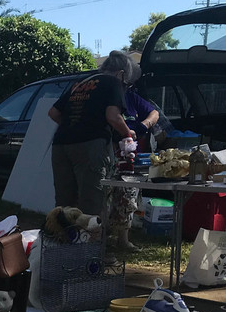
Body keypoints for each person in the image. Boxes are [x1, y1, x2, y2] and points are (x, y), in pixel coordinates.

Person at [48, 50, 136, 216]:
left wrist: (75, 125)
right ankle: (89, 240)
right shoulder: (113, 82)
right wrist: (128, 134)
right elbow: (113, 117)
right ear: (122, 74)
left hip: (61, 144)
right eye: (127, 84)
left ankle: (62, 238)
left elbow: (53, 113)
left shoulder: (81, 83)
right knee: (91, 200)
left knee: (64, 202)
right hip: (90, 145)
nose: (125, 87)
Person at [109, 62, 162, 250]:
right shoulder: (106, 95)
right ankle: (100, 238)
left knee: (127, 196)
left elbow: (154, 112)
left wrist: (144, 125)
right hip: (108, 154)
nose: (127, 87)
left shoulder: (131, 97)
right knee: (104, 197)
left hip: (130, 157)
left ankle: (122, 239)